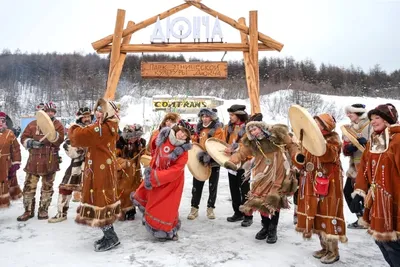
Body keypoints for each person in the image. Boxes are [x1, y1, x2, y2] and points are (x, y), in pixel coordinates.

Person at [224, 119, 299, 244]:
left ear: (261, 127)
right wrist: (232, 161)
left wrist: (296, 156)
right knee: (260, 200)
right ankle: (265, 226)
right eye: (251, 131)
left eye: (255, 129)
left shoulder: (277, 134)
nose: (253, 132)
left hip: (278, 171)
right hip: (261, 173)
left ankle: (272, 229)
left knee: (274, 199)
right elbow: (242, 152)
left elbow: (291, 145)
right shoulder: (252, 143)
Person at [69, 98, 121, 252]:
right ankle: (108, 234)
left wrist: (74, 126)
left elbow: (79, 136)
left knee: (100, 200)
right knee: (102, 199)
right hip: (102, 168)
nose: (97, 114)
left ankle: (111, 237)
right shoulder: (108, 125)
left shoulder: (102, 128)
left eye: (100, 111)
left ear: (108, 113)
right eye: (97, 111)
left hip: (100, 170)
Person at [294, 113, 347, 264]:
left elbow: (327, 156)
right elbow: (301, 161)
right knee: (316, 213)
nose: (315, 126)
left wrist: (316, 142)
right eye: (314, 123)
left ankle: (333, 251)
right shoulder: (309, 140)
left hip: (329, 183)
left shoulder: (333, 140)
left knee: (328, 213)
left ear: (325, 126)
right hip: (311, 182)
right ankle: (324, 247)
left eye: (318, 124)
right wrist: (298, 158)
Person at [352, 104, 400, 267]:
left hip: (395, 200)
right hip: (377, 200)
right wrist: (359, 191)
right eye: (371, 119)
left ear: (388, 119)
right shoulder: (373, 140)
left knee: (393, 244)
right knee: (381, 241)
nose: (373, 122)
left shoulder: (397, 140)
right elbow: (364, 167)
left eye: (377, 118)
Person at [132, 123, 192, 241]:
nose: (182, 135)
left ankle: (166, 230)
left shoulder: (183, 151)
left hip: (171, 182)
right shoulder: (164, 137)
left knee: (167, 207)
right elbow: (154, 151)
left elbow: (176, 170)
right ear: (177, 129)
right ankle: (154, 225)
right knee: (154, 202)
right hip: (157, 176)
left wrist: (155, 177)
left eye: (185, 135)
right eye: (182, 131)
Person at [17, 102, 65, 221]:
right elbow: (23, 137)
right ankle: (28, 210)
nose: (50, 113)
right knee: (29, 186)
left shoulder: (58, 125)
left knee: (47, 187)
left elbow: (60, 140)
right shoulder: (32, 124)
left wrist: (53, 135)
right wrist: (31, 142)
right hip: (34, 160)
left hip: (50, 160)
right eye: (47, 111)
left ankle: (43, 210)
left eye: (52, 111)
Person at [48, 107, 93, 223]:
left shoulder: (95, 129)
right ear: (80, 118)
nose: (87, 119)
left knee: (91, 190)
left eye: (88, 116)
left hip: (93, 165)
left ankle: (90, 213)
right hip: (76, 166)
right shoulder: (74, 130)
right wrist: (82, 149)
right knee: (65, 188)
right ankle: (61, 213)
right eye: (84, 117)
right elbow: (68, 146)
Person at [188, 108, 224, 220]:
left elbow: (218, 145)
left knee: (213, 186)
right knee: (197, 185)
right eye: (202, 116)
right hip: (200, 160)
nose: (204, 118)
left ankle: (210, 208)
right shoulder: (197, 129)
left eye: (207, 116)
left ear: (211, 117)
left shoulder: (218, 130)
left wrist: (210, 156)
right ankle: (194, 209)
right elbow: (194, 143)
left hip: (213, 161)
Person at [223, 104, 253, 227]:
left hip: (244, 163)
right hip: (231, 162)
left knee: (245, 190)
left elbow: (249, 146)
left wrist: (234, 149)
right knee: (233, 189)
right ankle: (237, 212)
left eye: (232, 115)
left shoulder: (248, 128)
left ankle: (247, 215)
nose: (230, 117)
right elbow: (225, 142)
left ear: (239, 115)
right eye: (230, 115)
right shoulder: (228, 128)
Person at [342, 103, 370, 229]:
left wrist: (367, 143)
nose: (348, 115)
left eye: (350, 113)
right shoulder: (350, 128)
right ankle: (360, 217)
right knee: (348, 191)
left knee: (366, 193)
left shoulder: (370, 125)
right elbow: (345, 150)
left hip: (368, 166)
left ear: (358, 113)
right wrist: (349, 148)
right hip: (354, 167)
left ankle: (368, 219)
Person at [116, 124, 146, 221]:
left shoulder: (141, 143)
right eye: (132, 137)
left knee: (134, 188)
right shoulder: (119, 143)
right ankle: (120, 209)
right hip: (122, 172)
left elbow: (144, 154)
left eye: (136, 137)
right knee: (122, 190)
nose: (134, 139)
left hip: (135, 171)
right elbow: (113, 157)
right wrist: (123, 162)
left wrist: (146, 159)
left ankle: (131, 210)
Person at [0, 111, 21, 208]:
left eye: (2, 121)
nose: (0, 123)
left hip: (5, 164)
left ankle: (3, 202)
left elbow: (16, 149)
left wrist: (16, 163)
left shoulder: (9, 133)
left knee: (4, 184)